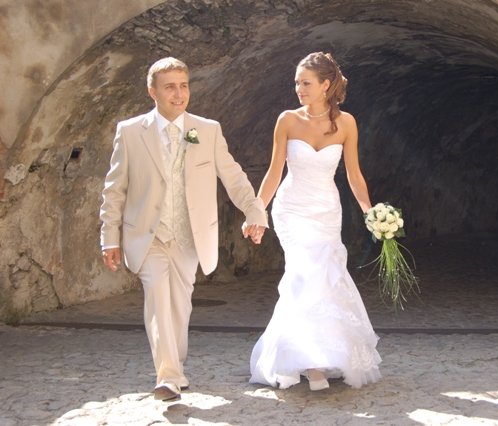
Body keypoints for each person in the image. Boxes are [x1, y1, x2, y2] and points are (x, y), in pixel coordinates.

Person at [99, 57, 268, 401]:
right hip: (148, 235)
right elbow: (114, 190)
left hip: (191, 235)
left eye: (183, 86)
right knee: (158, 299)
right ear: (153, 92)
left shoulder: (208, 130)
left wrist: (254, 211)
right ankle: (168, 377)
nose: (178, 94)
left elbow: (233, 177)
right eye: (170, 87)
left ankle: (175, 366)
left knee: (180, 305)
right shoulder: (130, 132)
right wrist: (109, 237)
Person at [249, 52, 382, 391]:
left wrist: (370, 212)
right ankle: (308, 363)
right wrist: (257, 211)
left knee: (324, 281)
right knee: (301, 276)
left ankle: (319, 356)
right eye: (297, 82)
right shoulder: (287, 120)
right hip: (291, 210)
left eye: (306, 83)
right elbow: (274, 172)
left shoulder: (347, 123)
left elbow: (354, 175)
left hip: (326, 212)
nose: (299, 89)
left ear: (326, 85)